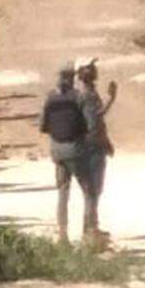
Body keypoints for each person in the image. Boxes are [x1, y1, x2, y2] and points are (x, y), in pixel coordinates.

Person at [39, 63, 94, 244]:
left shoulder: (50, 98)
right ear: (72, 78)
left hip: (57, 150)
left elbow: (43, 126)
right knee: (89, 191)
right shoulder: (78, 97)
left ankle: (62, 235)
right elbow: (90, 125)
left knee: (63, 192)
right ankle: (89, 234)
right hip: (75, 149)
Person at [75, 57, 117, 245]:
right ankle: (91, 229)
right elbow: (94, 123)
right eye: (91, 69)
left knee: (91, 190)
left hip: (85, 146)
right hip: (93, 147)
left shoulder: (83, 94)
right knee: (93, 189)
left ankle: (90, 227)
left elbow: (95, 116)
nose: (94, 71)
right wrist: (104, 142)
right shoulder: (89, 95)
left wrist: (110, 99)